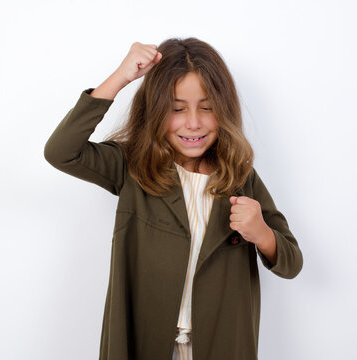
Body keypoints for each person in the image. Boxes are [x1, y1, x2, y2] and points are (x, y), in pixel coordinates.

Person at [44, 38, 303, 360]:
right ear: (154, 111)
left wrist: (262, 234)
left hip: (221, 341)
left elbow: (292, 262)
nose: (193, 122)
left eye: (207, 108)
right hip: (144, 338)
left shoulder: (240, 178)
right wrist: (120, 78)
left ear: (223, 111)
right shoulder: (132, 166)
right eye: (177, 109)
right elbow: (61, 153)